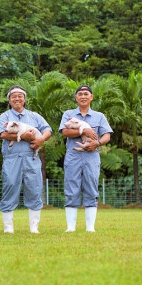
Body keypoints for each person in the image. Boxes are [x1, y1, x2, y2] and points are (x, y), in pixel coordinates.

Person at [0, 86, 52, 234]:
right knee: (10, 187)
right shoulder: (5, 116)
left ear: (25, 99)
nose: (17, 99)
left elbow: (48, 130)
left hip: (31, 158)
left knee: (34, 188)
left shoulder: (34, 116)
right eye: (13, 96)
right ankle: (8, 227)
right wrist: (23, 136)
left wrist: (40, 140)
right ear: (9, 100)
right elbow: (2, 134)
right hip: (11, 158)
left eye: (20, 96)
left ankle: (34, 228)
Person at [59, 85, 113, 232]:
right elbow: (64, 131)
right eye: (80, 94)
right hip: (73, 156)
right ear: (76, 97)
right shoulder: (68, 114)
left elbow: (107, 134)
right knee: (71, 188)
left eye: (86, 94)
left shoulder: (99, 116)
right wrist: (84, 130)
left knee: (91, 188)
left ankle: (90, 227)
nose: (83, 96)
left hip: (92, 156)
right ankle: (70, 227)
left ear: (91, 97)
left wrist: (98, 143)